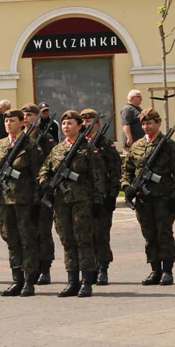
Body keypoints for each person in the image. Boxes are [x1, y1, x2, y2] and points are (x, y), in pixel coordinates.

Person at [37, 111, 106, 298]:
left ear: (79, 126)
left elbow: (98, 178)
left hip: (82, 202)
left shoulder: (88, 149)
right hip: (61, 203)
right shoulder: (57, 150)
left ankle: (86, 281)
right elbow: (44, 170)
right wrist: (45, 183)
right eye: (64, 123)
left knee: (83, 241)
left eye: (70, 123)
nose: (66, 127)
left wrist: (98, 201)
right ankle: (72, 281)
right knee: (67, 241)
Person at [0, 109, 44, 297]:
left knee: (27, 240)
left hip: (24, 202)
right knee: (10, 240)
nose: (8, 123)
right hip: (3, 202)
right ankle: (17, 279)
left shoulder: (30, 145)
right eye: (6, 120)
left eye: (12, 120)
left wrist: (36, 203)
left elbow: (38, 175)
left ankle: (29, 281)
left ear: (22, 123)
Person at [122, 108, 175, 286]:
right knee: (149, 234)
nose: (146, 127)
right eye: (143, 124)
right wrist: (127, 186)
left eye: (149, 123)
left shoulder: (169, 145)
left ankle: (167, 271)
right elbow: (127, 170)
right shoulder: (137, 146)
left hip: (163, 198)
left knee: (164, 233)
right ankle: (154, 270)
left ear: (158, 123)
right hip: (143, 199)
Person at [82, 109, 121, 285]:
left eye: (89, 122)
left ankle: (103, 269)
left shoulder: (106, 144)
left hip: (102, 197)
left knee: (101, 235)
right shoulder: (79, 144)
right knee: (85, 235)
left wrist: (112, 195)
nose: (85, 125)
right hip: (82, 197)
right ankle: (89, 269)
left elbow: (115, 171)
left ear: (97, 124)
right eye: (83, 122)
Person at [24, 103, 58, 284]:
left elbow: (50, 164)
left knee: (43, 232)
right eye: (24, 115)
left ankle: (45, 269)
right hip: (23, 194)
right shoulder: (19, 138)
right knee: (26, 233)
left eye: (30, 114)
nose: (26, 118)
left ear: (37, 117)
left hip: (42, 192)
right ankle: (31, 267)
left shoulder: (46, 138)